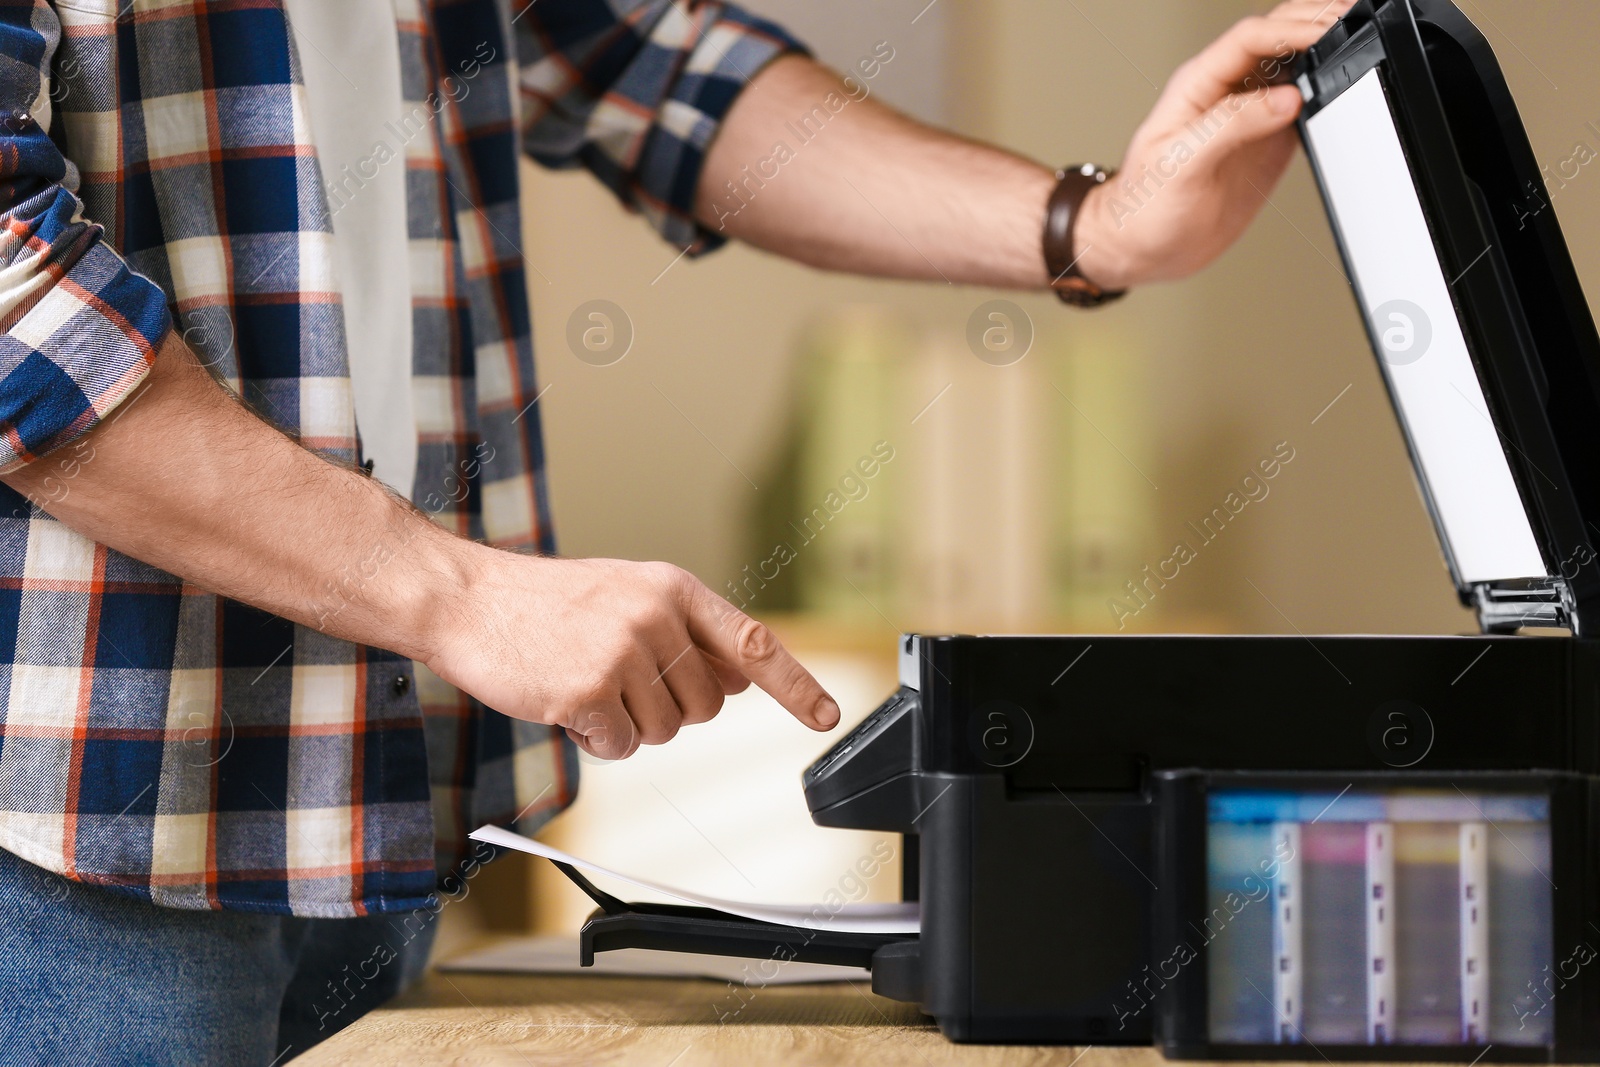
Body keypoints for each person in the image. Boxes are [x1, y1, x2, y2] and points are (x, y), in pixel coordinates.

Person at [0, 0, 1353, 1060]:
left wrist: (1095, 225)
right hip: (72, 861)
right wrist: (459, 597)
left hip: (380, 809)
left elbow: (651, 60)